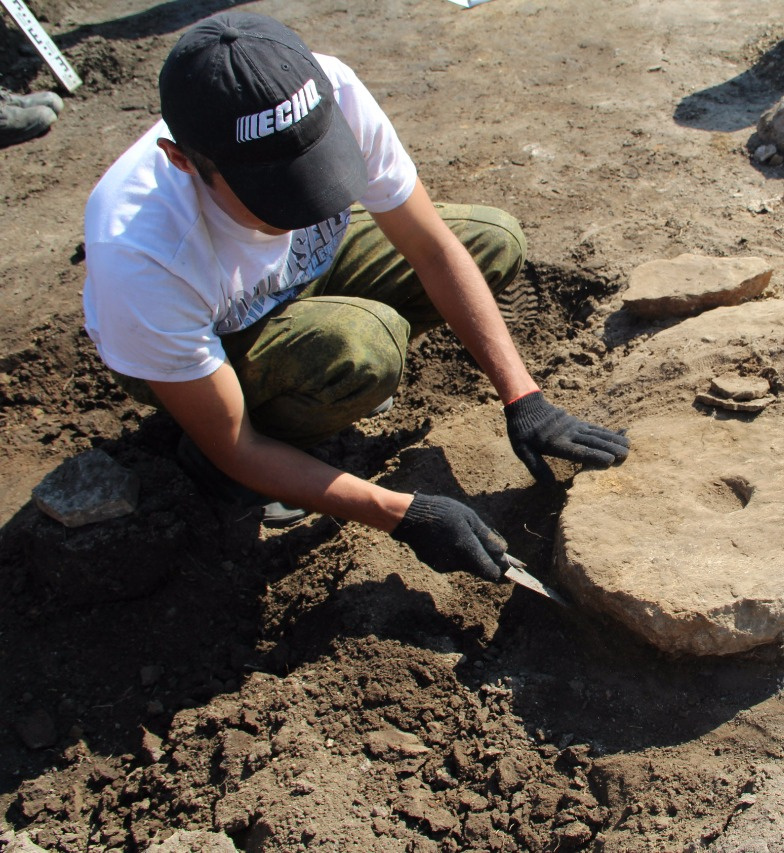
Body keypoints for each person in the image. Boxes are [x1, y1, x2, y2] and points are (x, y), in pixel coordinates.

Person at [81, 12, 630, 583]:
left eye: (315, 168)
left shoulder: (332, 87)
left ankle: (319, 377)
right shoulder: (139, 249)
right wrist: (401, 513)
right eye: (275, 191)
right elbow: (237, 444)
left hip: (295, 280)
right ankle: (230, 457)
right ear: (183, 161)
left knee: (492, 241)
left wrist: (524, 399)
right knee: (364, 348)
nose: (307, 204)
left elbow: (435, 249)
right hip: (202, 347)